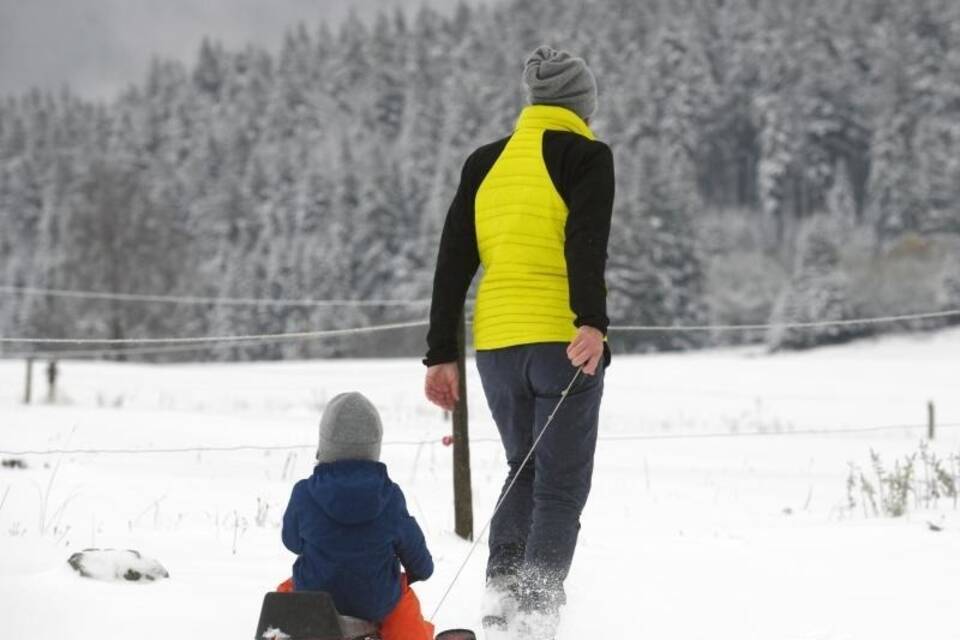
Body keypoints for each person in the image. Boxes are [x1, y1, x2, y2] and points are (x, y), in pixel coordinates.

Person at [423, 46, 614, 639]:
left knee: (521, 467)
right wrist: (591, 321)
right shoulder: (585, 156)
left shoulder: (485, 162)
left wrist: (442, 353)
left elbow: (453, 261)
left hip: (498, 345)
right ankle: (535, 614)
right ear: (582, 105)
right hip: (561, 341)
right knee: (559, 481)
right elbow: (585, 241)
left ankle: (499, 598)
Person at [280, 392, 435, 640]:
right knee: (404, 601)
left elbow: (291, 542)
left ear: (325, 444)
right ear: (375, 446)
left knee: (285, 592)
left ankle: (282, 633)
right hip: (376, 602)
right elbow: (416, 555)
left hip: (313, 600)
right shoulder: (390, 496)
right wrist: (421, 570)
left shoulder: (304, 493)